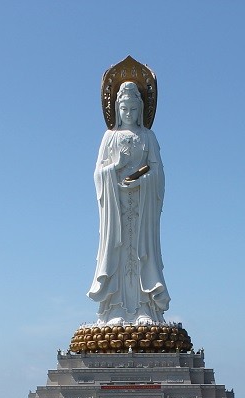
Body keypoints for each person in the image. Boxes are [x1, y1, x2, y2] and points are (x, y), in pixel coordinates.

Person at [88, 81, 170, 325]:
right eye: (125, 109)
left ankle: (145, 307)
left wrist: (142, 182)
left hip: (142, 208)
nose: (129, 114)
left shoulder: (148, 137)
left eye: (134, 110)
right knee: (118, 251)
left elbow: (158, 172)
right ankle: (115, 310)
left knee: (141, 253)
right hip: (117, 208)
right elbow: (98, 174)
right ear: (117, 109)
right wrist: (117, 166)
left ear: (141, 110)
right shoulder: (109, 137)